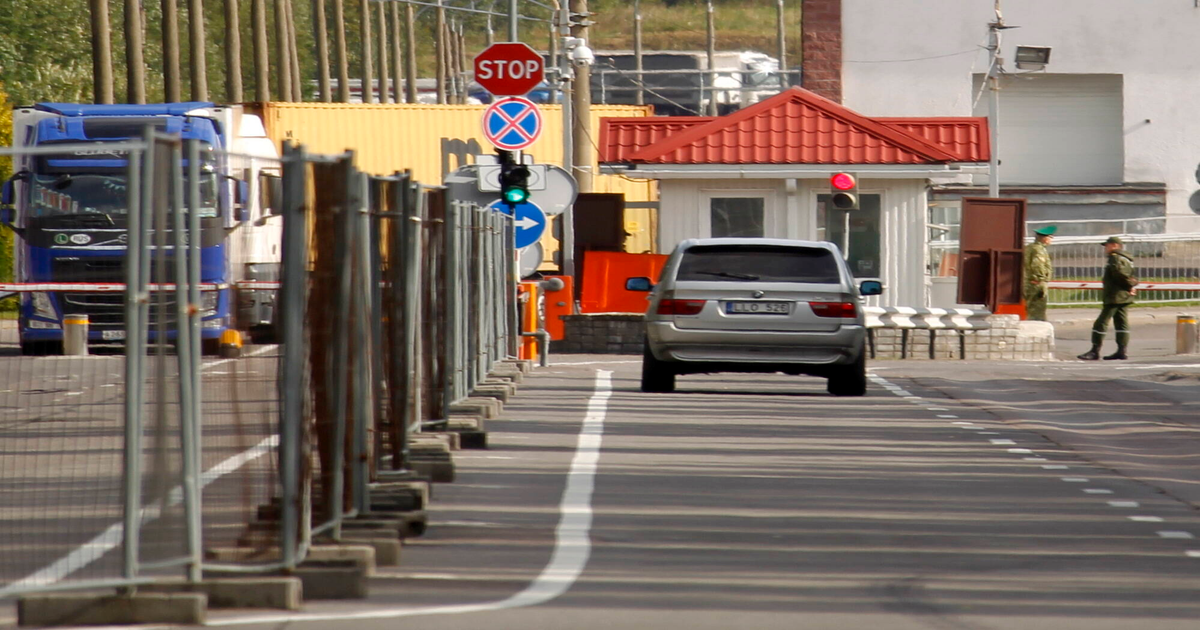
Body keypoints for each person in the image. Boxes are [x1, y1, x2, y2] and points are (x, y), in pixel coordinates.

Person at [1078, 236, 1138, 361]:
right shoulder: (1127, 258)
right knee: (1121, 323)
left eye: (1107, 245)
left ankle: (1095, 350)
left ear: (1115, 245)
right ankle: (1122, 350)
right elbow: (1131, 276)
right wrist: (1131, 285)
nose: (1105, 248)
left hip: (1114, 296)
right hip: (1124, 296)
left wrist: (1129, 285)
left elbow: (1119, 275)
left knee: (1101, 323)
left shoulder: (1115, 258)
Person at [1023, 225, 1056, 321]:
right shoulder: (1039, 250)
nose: (1051, 240)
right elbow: (1037, 265)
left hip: (1029, 283)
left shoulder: (1030, 247)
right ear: (1044, 238)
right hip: (1036, 283)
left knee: (1030, 309)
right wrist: (1041, 280)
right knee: (1037, 312)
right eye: (1050, 237)